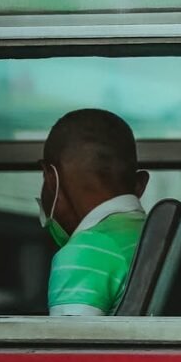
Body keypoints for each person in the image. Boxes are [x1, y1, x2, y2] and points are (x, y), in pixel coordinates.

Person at [38, 109, 149, 316]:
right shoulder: (160, 237)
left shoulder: (82, 254)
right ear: (140, 184)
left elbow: (70, 346)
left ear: (51, 179)